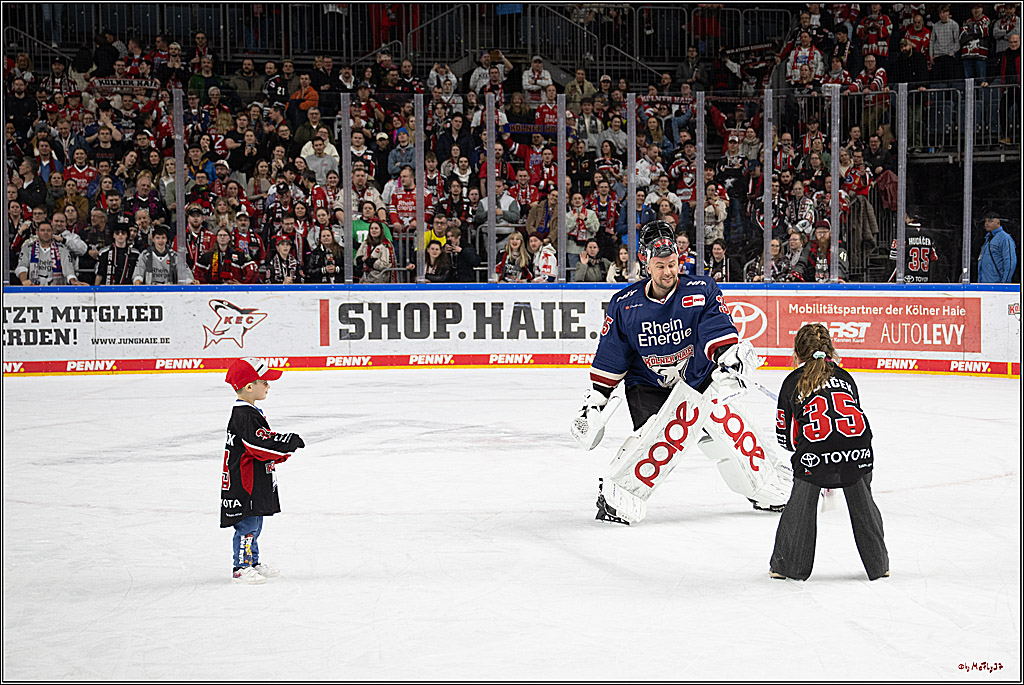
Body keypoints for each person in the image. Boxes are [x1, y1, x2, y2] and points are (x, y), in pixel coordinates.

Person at [575, 220, 790, 523]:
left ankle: (767, 484)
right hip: (647, 384)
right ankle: (617, 494)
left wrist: (731, 355)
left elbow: (717, 329)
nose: (668, 272)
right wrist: (594, 403)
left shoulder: (701, 290)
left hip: (696, 379)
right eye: (660, 265)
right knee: (662, 434)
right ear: (646, 264)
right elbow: (611, 359)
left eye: (673, 263)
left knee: (727, 426)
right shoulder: (624, 304)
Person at [770, 323, 889, 582]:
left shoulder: (792, 382)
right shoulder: (846, 377)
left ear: (797, 353)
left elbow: (787, 439)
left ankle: (787, 566)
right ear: (830, 349)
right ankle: (879, 564)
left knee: (800, 503)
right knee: (863, 500)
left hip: (816, 455)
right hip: (860, 451)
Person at [221, 357, 305, 585]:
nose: (268, 385)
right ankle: (241, 567)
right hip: (245, 481)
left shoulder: (251, 412)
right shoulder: (244, 415)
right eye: (264, 381)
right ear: (249, 387)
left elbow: (260, 444)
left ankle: (252, 561)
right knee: (247, 525)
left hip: (254, 479)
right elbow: (259, 445)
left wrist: (283, 451)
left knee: (255, 524)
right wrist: (286, 443)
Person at [16, 220, 85, 285]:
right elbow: (22, 267)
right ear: (37, 232)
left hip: (56, 289)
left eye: (48, 230)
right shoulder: (28, 248)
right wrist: (24, 281)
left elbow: (68, 269)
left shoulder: (62, 249)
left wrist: (73, 281)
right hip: (34, 288)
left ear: (52, 232)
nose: (46, 233)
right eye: (42, 230)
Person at [977, 210, 1018, 283]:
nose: (987, 223)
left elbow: (1010, 262)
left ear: (998, 222)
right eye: (986, 221)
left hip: (997, 284)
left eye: (990, 221)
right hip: (984, 284)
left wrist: (1004, 283)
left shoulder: (1005, 238)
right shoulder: (988, 239)